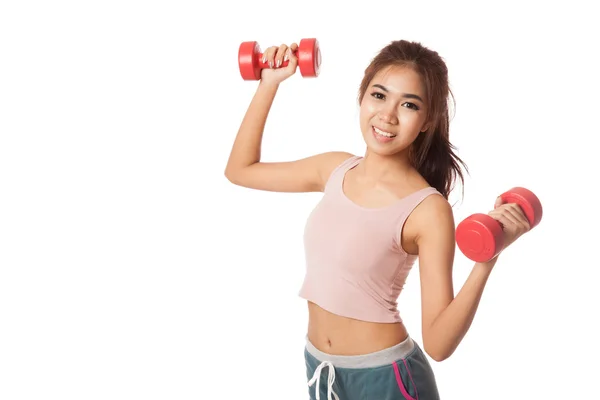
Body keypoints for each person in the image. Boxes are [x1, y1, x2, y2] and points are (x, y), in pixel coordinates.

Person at [224, 39, 531, 400]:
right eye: (379, 95)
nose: (387, 115)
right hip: (321, 370)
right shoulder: (334, 169)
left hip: (388, 380)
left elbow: (438, 344)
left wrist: (485, 260)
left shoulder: (427, 210)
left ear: (427, 121)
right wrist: (270, 82)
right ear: (362, 96)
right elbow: (240, 171)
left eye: (409, 104)